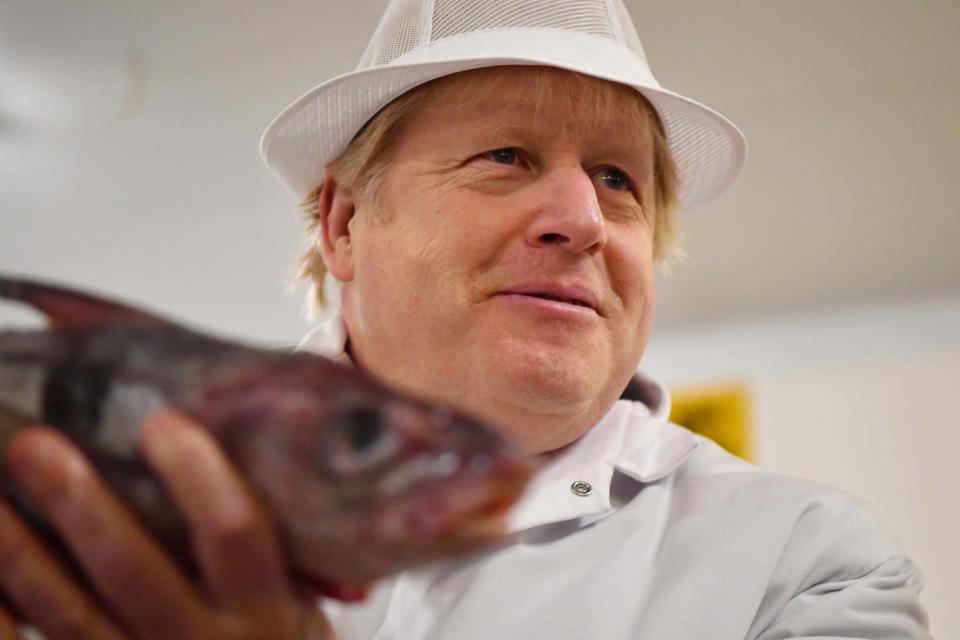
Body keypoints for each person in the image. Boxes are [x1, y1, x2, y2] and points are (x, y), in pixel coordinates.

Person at [0, 0, 932, 638]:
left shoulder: (809, 566)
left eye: (620, 180)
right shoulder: (91, 477)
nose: (581, 220)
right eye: (506, 154)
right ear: (345, 221)